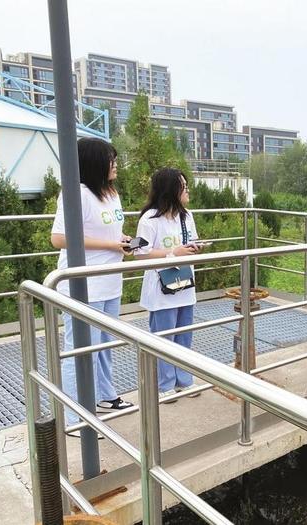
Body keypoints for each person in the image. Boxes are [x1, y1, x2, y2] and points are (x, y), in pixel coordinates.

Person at [51, 137, 134, 428]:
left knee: (104, 344)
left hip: (111, 282)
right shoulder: (76, 193)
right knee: (80, 351)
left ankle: (105, 395)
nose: (115, 165)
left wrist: (122, 241)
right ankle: (74, 417)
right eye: (110, 160)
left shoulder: (110, 193)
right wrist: (111, 245)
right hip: (84, 284)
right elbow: (59, 238)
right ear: (93, 163)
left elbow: (110, 233)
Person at [135, 168, 203, 400]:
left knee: (184, 335)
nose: (187, 190)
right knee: (164, 338)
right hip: (161, 288)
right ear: (171, 190)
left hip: (185, 283)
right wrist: (173, 252)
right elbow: (140, 254)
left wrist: (194, 248)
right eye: (183, 186)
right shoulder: (150, 219)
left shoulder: (186, 216)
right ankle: (164, 386)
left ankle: (184, 380)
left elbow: (190, 241)